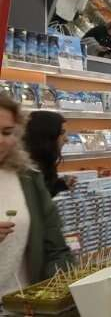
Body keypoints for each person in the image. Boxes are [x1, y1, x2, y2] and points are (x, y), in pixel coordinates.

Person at [0, 95, 72, 298]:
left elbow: (55, 248)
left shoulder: (28, 178)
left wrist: (55, 294)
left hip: (23, 304)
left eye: (7, 132)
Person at [23, 111, 74, 197]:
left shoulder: (46, 161)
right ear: (46, 135)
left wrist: (60, 185)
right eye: (61, 133)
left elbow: (45, 192)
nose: (66, 139)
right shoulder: (28, 171)